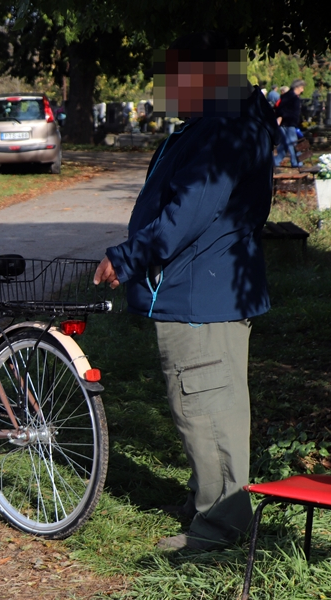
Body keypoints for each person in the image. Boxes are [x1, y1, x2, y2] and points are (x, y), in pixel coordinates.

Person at [94, 32, 280, 551]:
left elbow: (186, 216)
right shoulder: (227, 121)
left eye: (175, 79)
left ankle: (219, 530)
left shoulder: (222, 129)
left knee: (205, 408)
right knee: (213, 407)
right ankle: (214, 500)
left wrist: (126, 257)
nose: (166, 90)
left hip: (201, 294)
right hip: (210, 289)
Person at [274, 79, 306, 168]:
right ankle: (296, 162)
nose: (302, 90)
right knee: (292, 143)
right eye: (302, 88)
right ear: (297, 87)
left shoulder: (290, 96)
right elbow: (281, 109)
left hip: (287, 123)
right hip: (288, 123)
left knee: (285, 144)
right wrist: (282, 116)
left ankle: (274, 161)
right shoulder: (291, 97)